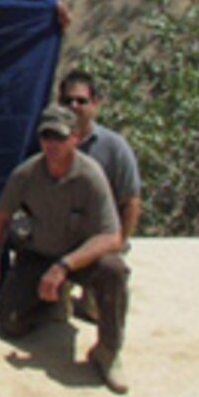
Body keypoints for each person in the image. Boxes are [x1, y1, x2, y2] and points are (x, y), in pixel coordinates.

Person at [0, 105, 130, 394]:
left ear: (74, 138)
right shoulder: (26, 174)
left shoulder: (90, 176)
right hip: (38, 255)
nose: (52, 145)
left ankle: (108, 351)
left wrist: (65, 266)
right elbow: (1, 217)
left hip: (79, 258)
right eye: (47, 137)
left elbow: (112, 237)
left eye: (59, 137)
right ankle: (53, 303)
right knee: (11, 323)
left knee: (114, 269)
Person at [59, 69, 142, 322]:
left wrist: (117, 242)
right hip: (57, 237)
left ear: (95, 104)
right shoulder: (47, 142)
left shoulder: (115, 148)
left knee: (104, 301)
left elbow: (131, 201)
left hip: (99, 240)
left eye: (81, 101)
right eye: (67, 101)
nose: (74, 106)